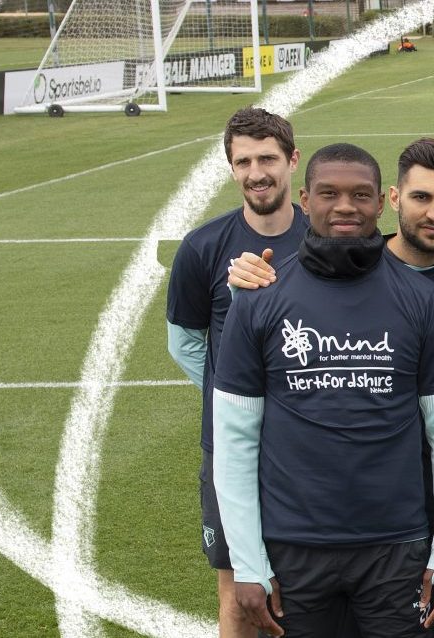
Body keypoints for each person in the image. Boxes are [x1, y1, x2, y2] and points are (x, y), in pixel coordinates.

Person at [210, 143, 434, 637]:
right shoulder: (258, 300)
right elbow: (234, 440)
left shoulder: (422, 299)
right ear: (306, 200)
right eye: (329, 193)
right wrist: (247, 563)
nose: (346, 206)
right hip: (293, 547)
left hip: (396, 545)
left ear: (381, 203)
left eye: (360, 195)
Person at [164, 106, 308, 638]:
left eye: (267, 158)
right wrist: (233, 392)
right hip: (229, 445)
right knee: (239, 592)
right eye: (243, 162)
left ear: (292, 160)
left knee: (310, 584)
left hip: (307, 440)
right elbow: (184, 343)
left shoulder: (325, 238)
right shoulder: (203, 247)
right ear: (231, 168)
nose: (256, 172)